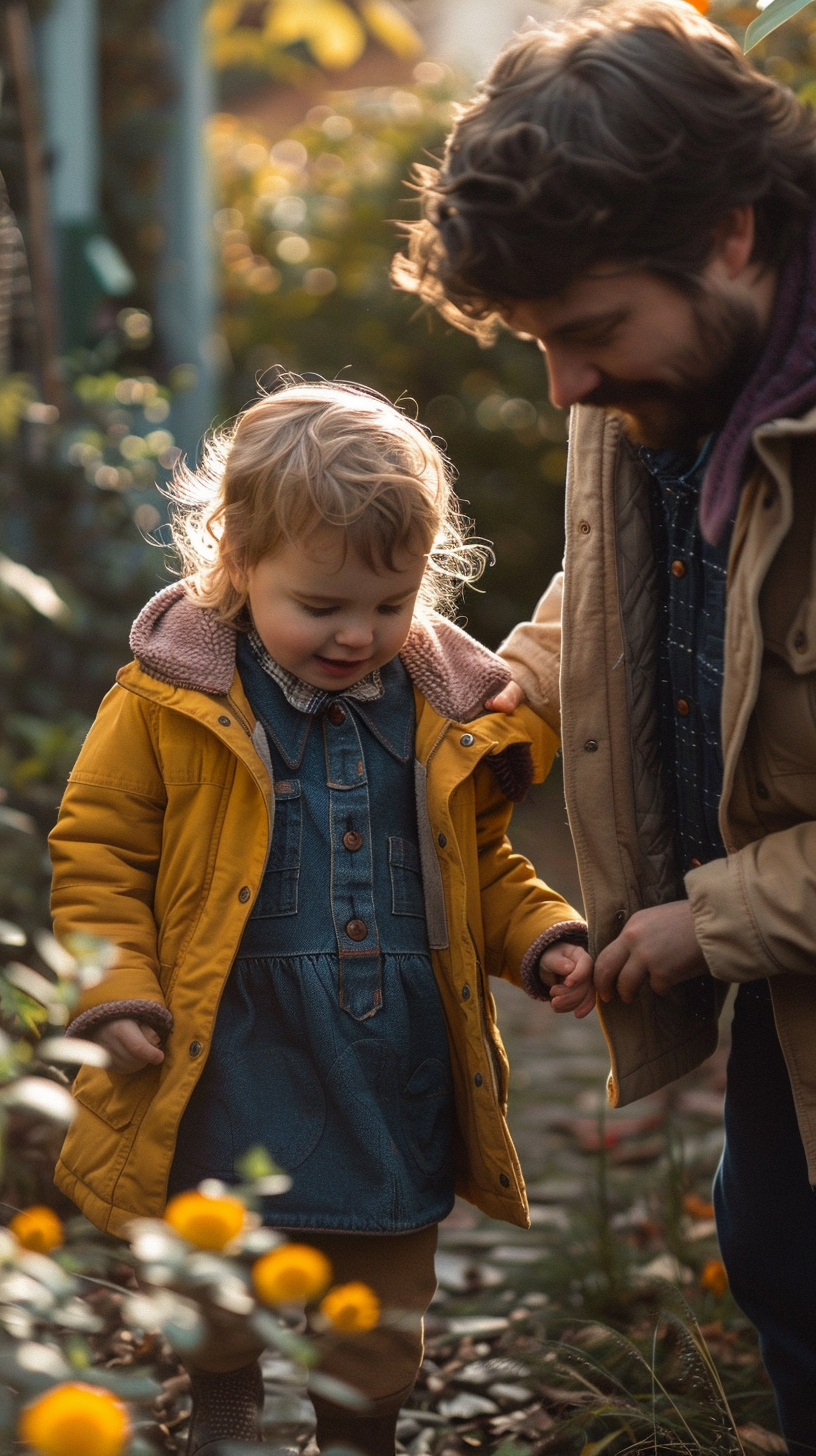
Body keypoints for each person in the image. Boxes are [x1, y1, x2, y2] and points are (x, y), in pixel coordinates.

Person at [394, 3, 816, 1450]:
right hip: (791, 967)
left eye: (585, 337)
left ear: (734, 235)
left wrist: (725, 914)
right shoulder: (669, 359)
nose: (566, 384)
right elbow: (634, 573)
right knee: (778, 1253)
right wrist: (507, 690)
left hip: (775, 921)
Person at [48, 379, 592, 1456]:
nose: (359, 634)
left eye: (391, 607)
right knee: (219, 1257)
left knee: (384, 1284)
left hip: (391, 1055)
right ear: (238, 561)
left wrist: (543, 936)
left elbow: (478, 862)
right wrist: (114, 987)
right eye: (324, 605)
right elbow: (101, 855)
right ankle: (224, 1400)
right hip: (228, 1049)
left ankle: (362, 1424)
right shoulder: (167, 704)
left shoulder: (439, 712)